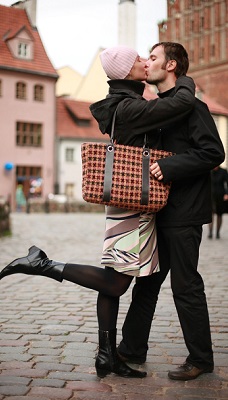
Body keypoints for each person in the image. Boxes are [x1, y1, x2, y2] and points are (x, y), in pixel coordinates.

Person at [0, 45, 196, 379]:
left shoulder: (125, 101)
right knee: (117, 282)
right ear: (124, 70)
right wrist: (186, 80)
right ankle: (43, 264)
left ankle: (107, 356)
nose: (144, 63)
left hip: (132, 202)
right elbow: (181, 103)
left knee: (112, 281)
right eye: (137, 60)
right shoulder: (130, 106)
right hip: (132, 204)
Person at [117, 42, 225, 381]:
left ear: (172, 65)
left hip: (185, 212)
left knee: (185, 285)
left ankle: (201, 359)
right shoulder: (158, 107)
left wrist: (173, 167)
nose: (147, 63)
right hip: (157, 211)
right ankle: (130, 351)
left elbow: (213, 152)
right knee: (146, 285)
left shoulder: (194, 107)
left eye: (153, 57)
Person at [208, 166, 228, 239]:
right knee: (211, 214)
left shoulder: (223, 171)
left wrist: (227, 193)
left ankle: (217, 233)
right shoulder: (209, 171)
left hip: (220, 196)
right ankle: (210, 232)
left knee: (219, 214)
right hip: (210, 196)